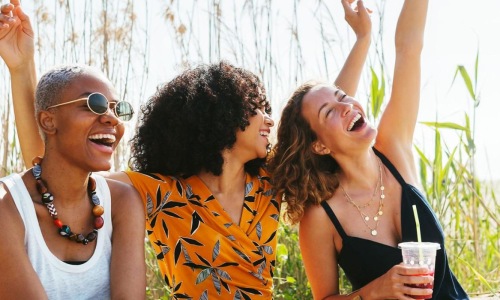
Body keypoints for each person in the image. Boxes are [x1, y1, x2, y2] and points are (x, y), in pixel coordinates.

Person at [0, 0, 371, 298]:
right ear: (223, 116)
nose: (269, 120)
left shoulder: (269, 183)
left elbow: (325, 121)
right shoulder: (160, 193)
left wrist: (361, 41)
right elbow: (53, 163)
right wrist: (23, 70)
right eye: (256, 108)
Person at [268, 0, 469, 299]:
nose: (347, 105)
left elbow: (409, 47)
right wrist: (375, 291)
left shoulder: (395, 150)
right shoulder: (321, 216)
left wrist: (364, 37)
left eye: (343, 96)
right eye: (329, 111)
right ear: (319, 145)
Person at [0, 5, 146, 299]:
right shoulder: (8, 210)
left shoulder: (122, 202)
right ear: (48, 121)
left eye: (118, 109)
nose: (111, 119)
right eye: (93, 104)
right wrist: (21, 67)